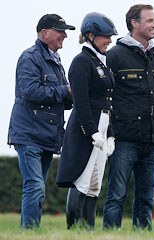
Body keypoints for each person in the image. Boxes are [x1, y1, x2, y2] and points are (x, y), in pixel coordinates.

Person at [7, 14, 75, 228]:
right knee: (35, 187)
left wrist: (74, 95)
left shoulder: (56, 62)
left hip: (47, 136)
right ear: (44, 33)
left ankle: (30, 231)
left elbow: (61, 98)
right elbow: (30, 91)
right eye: (60, 30)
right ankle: (29, 232)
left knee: (37, 187)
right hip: (28, 135)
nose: (64, 35)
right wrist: (65, 90)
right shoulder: (29, 57)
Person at [102, 4, 154, 230]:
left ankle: (143, 234)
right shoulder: (115, 55)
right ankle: (109, 234)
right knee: (116, 195)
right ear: (134, 23)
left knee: (147, 198)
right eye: (149, 21)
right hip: (124, 139)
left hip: (153, 140)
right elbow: (104, 94)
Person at [56, 12, 117, 229]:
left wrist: (110, 134)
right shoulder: (81, 61)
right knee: (82, 181)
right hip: (87, 129)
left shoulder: (102, 61)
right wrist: (92, 132)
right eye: (105, 36)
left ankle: (89, 228)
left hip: (102, 125)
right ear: (90, 35)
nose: (109, 40)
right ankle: (74, 228)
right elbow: (81, 102)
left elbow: (108, 101)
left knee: (94, 183)